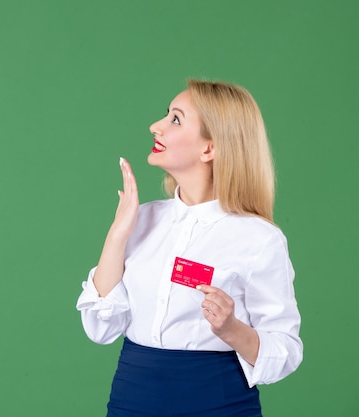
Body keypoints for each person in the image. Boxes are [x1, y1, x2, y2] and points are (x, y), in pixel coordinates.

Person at [76, 79, 302, 417]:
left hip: (218, 404)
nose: (156, 126)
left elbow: (286, 349)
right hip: (132, 400)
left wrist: (231, 329)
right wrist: (117, 234)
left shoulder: (259, 239)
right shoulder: (142, 220)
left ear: (209, 149)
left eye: (176, 119)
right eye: (165, 115)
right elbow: (101, 327)